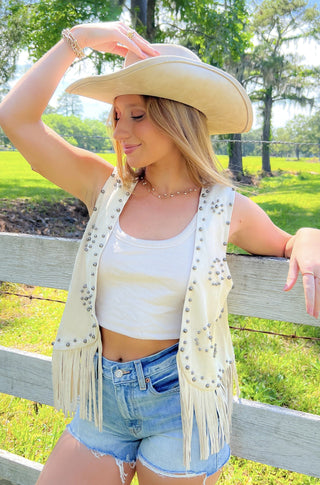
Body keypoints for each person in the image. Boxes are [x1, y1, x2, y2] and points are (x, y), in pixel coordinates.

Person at [0, 21, 319, 485]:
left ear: (177, 115)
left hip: (180, 404)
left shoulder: (225, 207)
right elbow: (16, 119)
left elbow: (289, 241)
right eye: (116, 115)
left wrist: (309, 236)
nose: (121, 130)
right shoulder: (106, 189)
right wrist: (80, 39)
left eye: (138, 114)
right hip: (103, 397)